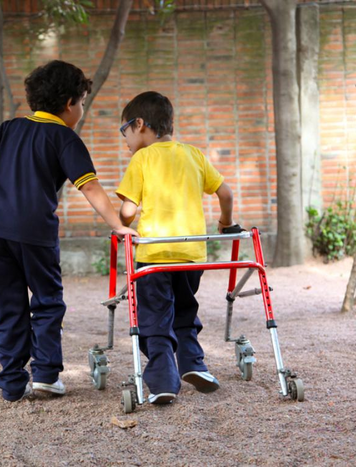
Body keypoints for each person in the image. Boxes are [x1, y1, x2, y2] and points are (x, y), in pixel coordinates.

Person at [0, 60, 138, 402]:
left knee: (6, 305)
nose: (81, 109)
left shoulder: (8, 128)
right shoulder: (64, 138)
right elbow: (91, 187)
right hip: (35, 233)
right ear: (70, 103)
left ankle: (12, 383)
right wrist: (117, 225)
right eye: (82, 102)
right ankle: (45, 375)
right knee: (47, 301)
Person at [116, 91, 235, 404]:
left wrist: (123, 224)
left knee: (155, 315)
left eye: (124, 130)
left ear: (140, 124)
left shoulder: (141, 159)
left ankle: (163, 380)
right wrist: (225, 223)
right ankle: (194, 364)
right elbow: (225, 193)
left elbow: (128, 211)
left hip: (154, 255)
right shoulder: (193, 154)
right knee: (184, 308)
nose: (125, 138)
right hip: (192, 254)